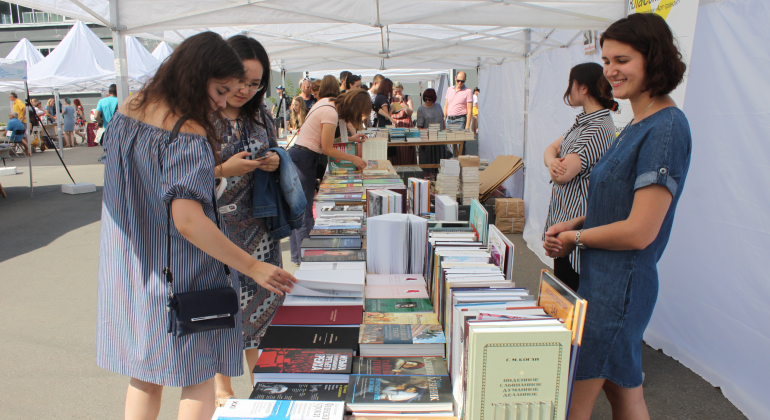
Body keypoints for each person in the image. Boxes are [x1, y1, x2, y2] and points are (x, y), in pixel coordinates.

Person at [96, 31, 297, 420]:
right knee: (200, 377)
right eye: (220, 90)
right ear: (194, 74)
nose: (223, 101)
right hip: (185, 271)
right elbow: (188, 220)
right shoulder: (186, 132)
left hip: (133, 266)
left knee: (143, 376)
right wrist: (253, 266)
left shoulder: (126, 111)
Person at [543, 13, 691, 420]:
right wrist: (574, 224)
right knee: (624, 394)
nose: (611, 71)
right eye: (607, 61)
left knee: (573, 401)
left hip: (619, 289)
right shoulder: (636, 122)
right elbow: (620, 205)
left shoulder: (665, 128)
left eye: (621, 60)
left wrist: (577, 238)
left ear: (653, 59)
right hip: (605, 281)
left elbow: (641, 229)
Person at [211, 35, 291, 407]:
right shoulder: (203, 114)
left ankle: (265, 378)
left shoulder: (260, 114)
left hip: (260, 225)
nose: (245, 89)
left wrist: (275, 159)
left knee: (264, 301)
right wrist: (224, 169)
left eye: (255, 83)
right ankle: (221, 386)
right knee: (223, 306)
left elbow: (275, 146)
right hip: (216, 227)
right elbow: (180, 176)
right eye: (241, 79)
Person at [541, 63, 617, 292]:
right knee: (561, 293)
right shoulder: (584, 121)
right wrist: (552, 161)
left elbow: (563, 175)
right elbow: (549, 149)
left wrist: (554, 163)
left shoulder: (598, 127)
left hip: (576, 230)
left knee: (569, 295)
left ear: (583, 88)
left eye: (570, 83)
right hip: (564, 223)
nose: (568, 90)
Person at [288, 88, 370, 265]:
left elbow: (324, 139)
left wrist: (351, 138)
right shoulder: (331, 113)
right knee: (304, 213)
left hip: (300, 156)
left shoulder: (326, 102)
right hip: (303, 159)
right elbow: (327, 149)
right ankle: (306, 259)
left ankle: (298, 257)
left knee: (299, 211)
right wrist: (354, 158)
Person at [414, 88, 448, 173]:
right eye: (425, 99)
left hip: (440, 140)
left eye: (430, 99)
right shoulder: (421, 109)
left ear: (434, 99)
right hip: (428, 142)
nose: (427, 101)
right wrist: (429, 132)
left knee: (441, 164)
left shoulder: (438, 106)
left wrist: (444, 131)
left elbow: (442, 119)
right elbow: (419, 127)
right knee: (428, 166)